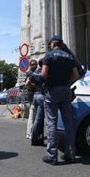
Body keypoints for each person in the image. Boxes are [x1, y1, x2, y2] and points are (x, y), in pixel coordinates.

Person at [34, 35, 79, 165]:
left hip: (52, 91)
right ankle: (70, 154)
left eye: (50, 44)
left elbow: (43, 75)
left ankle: (52, 155)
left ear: (53, 44)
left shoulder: (49, 56)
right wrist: (65, 81)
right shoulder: (69, 56)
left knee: (51, 122)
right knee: (68, 123)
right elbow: (75, 75)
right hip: (66, 90)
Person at [27, 58, 45, 146]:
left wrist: (34, 85)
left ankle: (35, 137)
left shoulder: (33, 74)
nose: (34, 66)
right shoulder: (43, 73)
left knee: (36, 118)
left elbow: (27, 83)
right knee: (40, 119)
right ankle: (37, 137)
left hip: (35, 95)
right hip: (42, 95)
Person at [25, 59, 38, 139]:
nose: (34, 66)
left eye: (35, 64)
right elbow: (27, 83)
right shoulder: (30, 73)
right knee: (32, 114)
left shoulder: (34, 72)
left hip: (34, 95)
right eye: (33, 64)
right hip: (31, 95)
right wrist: (36, 85)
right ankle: (29, 133)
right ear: (30, 65)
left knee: (34, 114)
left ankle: (32, 131)